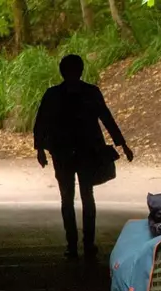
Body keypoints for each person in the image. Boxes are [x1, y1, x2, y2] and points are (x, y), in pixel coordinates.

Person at [33, 54, 133, 258]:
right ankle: (88, 244)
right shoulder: (91, 92)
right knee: (87, 196)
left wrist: (40, 149)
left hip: (62, 153)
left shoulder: (53, 94)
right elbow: (106, 118)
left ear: (62, 71)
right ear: (81, 71)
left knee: (67, 198)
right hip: (87, 152)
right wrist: (122, 144)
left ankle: (72, 244)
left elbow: (41, 123)